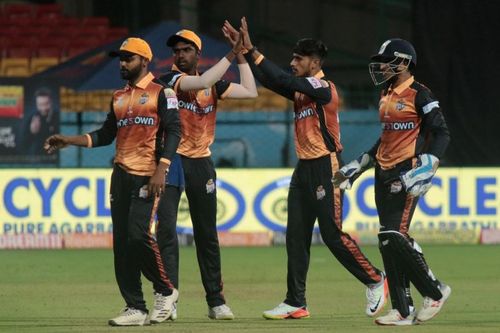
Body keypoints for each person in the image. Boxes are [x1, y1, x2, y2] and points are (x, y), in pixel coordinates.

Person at [232, 17, 387, 319]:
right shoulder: (303, 90)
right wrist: (246, 53)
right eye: (291, 57)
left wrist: (252, 49)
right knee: (296, 236)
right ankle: (295, 301)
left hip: (324, 167)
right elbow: (275, 81)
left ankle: (375, 278)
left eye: (298, 58)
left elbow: (285, 80)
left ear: (314, 63)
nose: (292, 62)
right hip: (303, 169)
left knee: (331, 234)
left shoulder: (323, 88)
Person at [44, 37, 181, 326]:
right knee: (122, 243)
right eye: (120, 58)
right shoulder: (119, 96)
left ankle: (166, 290)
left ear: (144, 61)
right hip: (120, 176)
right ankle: (135, 307)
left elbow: (175, 132)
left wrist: (162, 169)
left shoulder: (162, 92)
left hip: (148, 174)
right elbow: (106, 134)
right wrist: (68, 140)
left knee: (137, 235)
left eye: (128, 58)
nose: (122, 63)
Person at [333, 38, 451, 325]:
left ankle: (435, 292)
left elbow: (441, 132)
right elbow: (385, 140)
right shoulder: (386, 93)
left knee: (393, 235)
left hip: (406, 173)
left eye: (387, 60)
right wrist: (358, 165)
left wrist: (429, 164)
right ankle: (402, 308)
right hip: (382, 173)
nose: (382, 66)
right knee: (387, 241)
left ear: (404, 62)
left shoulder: (419, 94)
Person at [151, 27, 257, 322]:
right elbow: (205, 79)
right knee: (167, 232)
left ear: (197, 53)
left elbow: (251, 91)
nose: (180, 55)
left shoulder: (213, 86)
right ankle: (167, 298)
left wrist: (243, 56)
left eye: (186, 50)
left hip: (201, 163)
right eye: (176, 51)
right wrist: (232, 52)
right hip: (171, 161)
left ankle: (216, 301)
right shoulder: (170, 81)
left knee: (207, 234)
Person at [22, 88, 58, 157]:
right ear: (36, 104)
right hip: (38, 159)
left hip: (57, 159)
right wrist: (32, 133)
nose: (43, 108)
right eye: (40, 105)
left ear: (51, 102)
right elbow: (24, 145)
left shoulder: (59, 117)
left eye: (46, 104)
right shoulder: (32, 119)